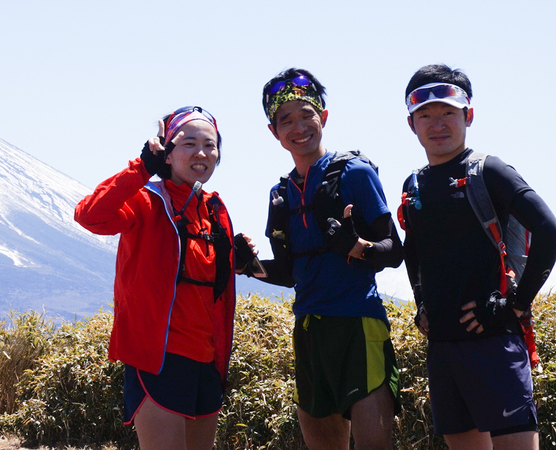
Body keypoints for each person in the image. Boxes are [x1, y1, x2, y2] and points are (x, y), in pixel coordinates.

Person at [399, 64, 556, 450]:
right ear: (412, 124)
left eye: (448, 113)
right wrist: (421, 305)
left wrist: (514, 305)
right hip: (444, 349)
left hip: (494, 344)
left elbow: (549, 230)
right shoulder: (414, 183)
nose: (438, 124)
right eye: (426, 115)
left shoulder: (490, 171)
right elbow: (414, 251)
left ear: (468, 115)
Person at [75, 106, 250, 450]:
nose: (201, 153)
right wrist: (141, 168)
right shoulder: (145, 199)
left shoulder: (214, 210)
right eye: (188, 143)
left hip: (206, 362)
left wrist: (237, 259)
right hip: (159, 360)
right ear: (167, 152)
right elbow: (90, 216)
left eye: (210, 145)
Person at [252, 68, 403, 450]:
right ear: (274, 131)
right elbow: (288, 274)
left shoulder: (354, 172)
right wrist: (245, 267)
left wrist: (358, 248)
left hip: (357, 323)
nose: (299, 127)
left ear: (324, 118)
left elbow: (394, 251)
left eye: (307, 115)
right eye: (286, 120)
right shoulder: (280, 193)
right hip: (309, 329)